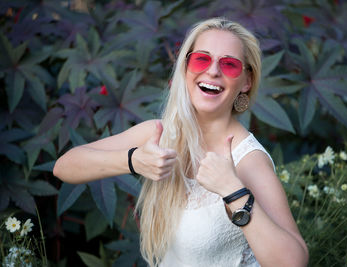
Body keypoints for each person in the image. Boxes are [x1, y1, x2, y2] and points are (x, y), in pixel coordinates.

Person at [53, 17, 309, 267]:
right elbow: (64, 167)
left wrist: (234, 191)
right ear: (186, 68)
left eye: (229, 64)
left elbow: (293, 261)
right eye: (202, 59)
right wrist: (133, 160)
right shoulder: (160, 134)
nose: (212, 71)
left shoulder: (248, 160)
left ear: (246, 81)